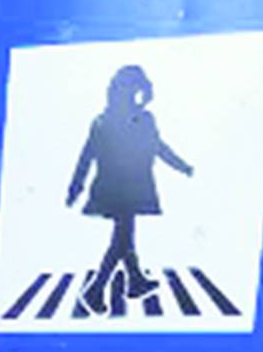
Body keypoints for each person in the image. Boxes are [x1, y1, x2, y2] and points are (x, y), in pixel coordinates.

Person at [67, 65, 193, 315]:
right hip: (125, 190)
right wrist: (184, 167)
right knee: (122, 239)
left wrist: (76, 187)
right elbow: (158, 148)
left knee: (125, 236)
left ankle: (135, 280)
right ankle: (95, 291)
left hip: (114, 189)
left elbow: (87, 157)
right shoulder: (137, 119)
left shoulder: (106, 120)